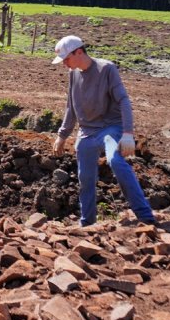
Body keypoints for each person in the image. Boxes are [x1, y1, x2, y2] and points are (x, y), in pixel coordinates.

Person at [51, 34, 156, 227]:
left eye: (67, 59)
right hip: (86, 133)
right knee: (85, 178)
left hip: (109, 128)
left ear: (79, 51)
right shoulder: (73, 74)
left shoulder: (106, 69)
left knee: (115, 160)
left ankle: (145, 216)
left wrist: (127, 133)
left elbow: (123, 100)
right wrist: (62, 135)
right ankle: (87, 222)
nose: (65, 64)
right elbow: (71, 107)